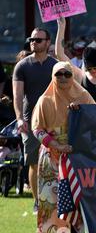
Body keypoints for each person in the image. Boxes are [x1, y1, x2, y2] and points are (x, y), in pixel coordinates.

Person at [31, 61, 95, 233]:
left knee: (75, 202)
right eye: (59, 74)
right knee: (51, 203)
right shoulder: (45, 100)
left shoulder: (83, 96)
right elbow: (37, 129)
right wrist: (56, 145)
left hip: (76, 156)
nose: (63, 78)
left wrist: (80, 113)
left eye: (67, 74)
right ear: (53, 76)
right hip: (51, 157)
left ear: (73, 75)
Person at [13, 27, 58, 214]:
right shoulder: (22, 66)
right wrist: (18, 119)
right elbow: (17, 96)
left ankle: (53, 200)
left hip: (52, 120)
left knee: (54, 162)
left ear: (48, 42)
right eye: (31, 39)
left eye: (38, 40)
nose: (34, 42)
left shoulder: (55, 66)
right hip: (30, 120)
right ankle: (38, 203)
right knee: (33, 163)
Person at [55, 18, 96, 104]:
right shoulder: (81, 76)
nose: (93, 71)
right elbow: (60, 54)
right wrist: (61, 27)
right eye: (89, 69)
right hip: (87, 117)